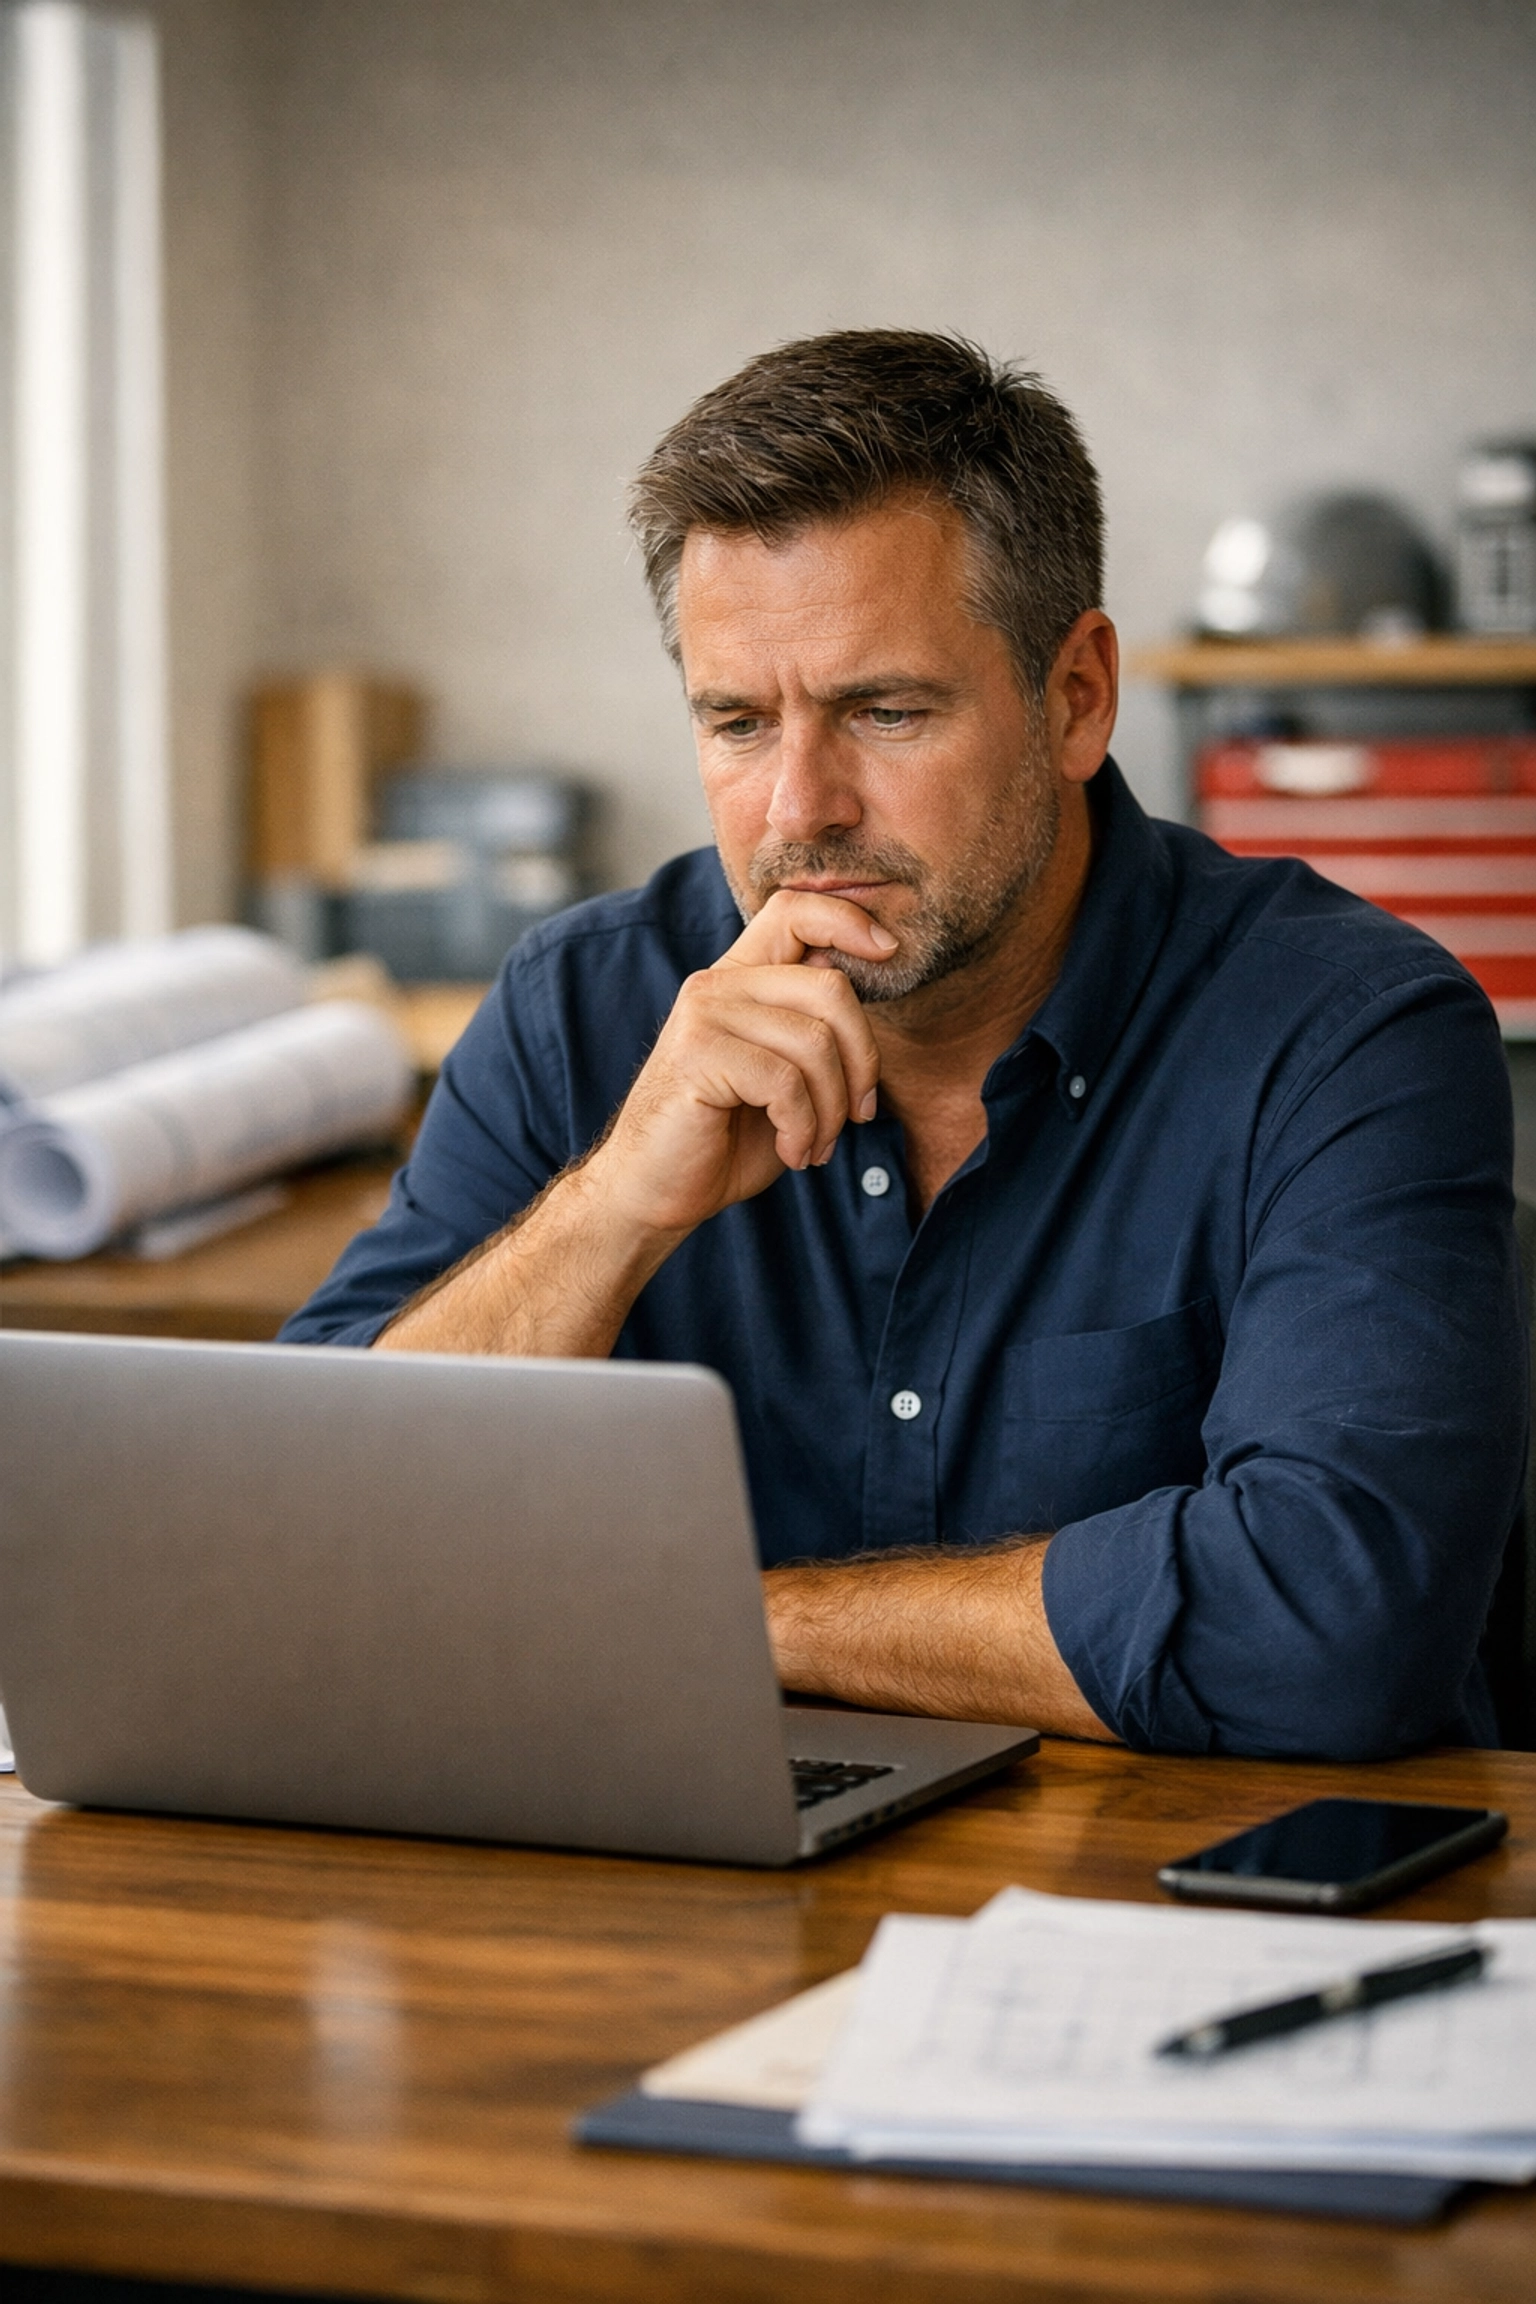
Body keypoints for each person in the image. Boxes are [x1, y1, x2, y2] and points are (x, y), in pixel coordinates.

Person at [284, 329, 1525, 1757]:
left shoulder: (1349, 1035)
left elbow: (1332, 1627)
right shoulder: (585, 1008)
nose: (800, 809)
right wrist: (616, 1205)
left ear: (1077, 697)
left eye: (884, 712)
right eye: (738, 723)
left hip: (1175, 1912)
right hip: (679, 1902)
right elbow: (308, 1537)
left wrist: (725, 1625)